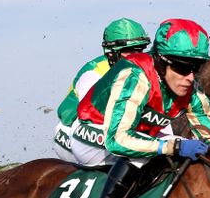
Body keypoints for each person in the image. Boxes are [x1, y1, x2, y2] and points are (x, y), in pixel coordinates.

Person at [72, 19, 210, 198]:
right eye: (183, 68)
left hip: (140, 129)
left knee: (175, 150)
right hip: (94, 131)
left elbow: (209, 131)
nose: (190, 77)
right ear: (161, 61)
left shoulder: (189, 86)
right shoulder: (136, 75)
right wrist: (173, 146)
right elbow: (118, 139)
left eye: (197, 68)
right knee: (149, 153)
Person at [52, 18, 150, 162]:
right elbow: (96, 118)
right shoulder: (94, 73)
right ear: (111, 53)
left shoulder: (140, 71)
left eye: (140, 50)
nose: (136, 56)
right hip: (70, 132)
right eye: (128, 51)